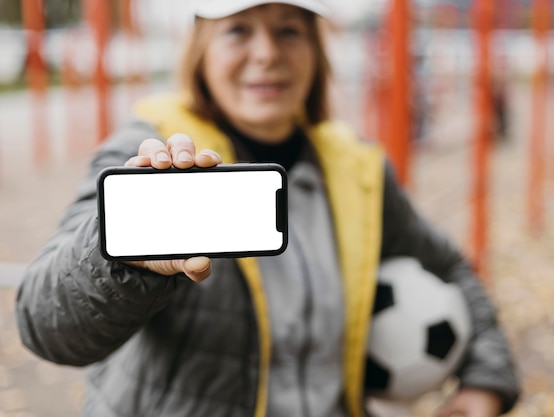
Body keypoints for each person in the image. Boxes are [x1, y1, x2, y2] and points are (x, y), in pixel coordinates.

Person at [15, 1, 520, 416]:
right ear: (201, 49)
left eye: (288, 30)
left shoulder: (357, 169)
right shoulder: (149, 155)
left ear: (317, 49)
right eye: (238, 30)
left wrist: (486, 379)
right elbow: (46, 328)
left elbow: (451, 266)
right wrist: (119, 259)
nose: (267, 54)